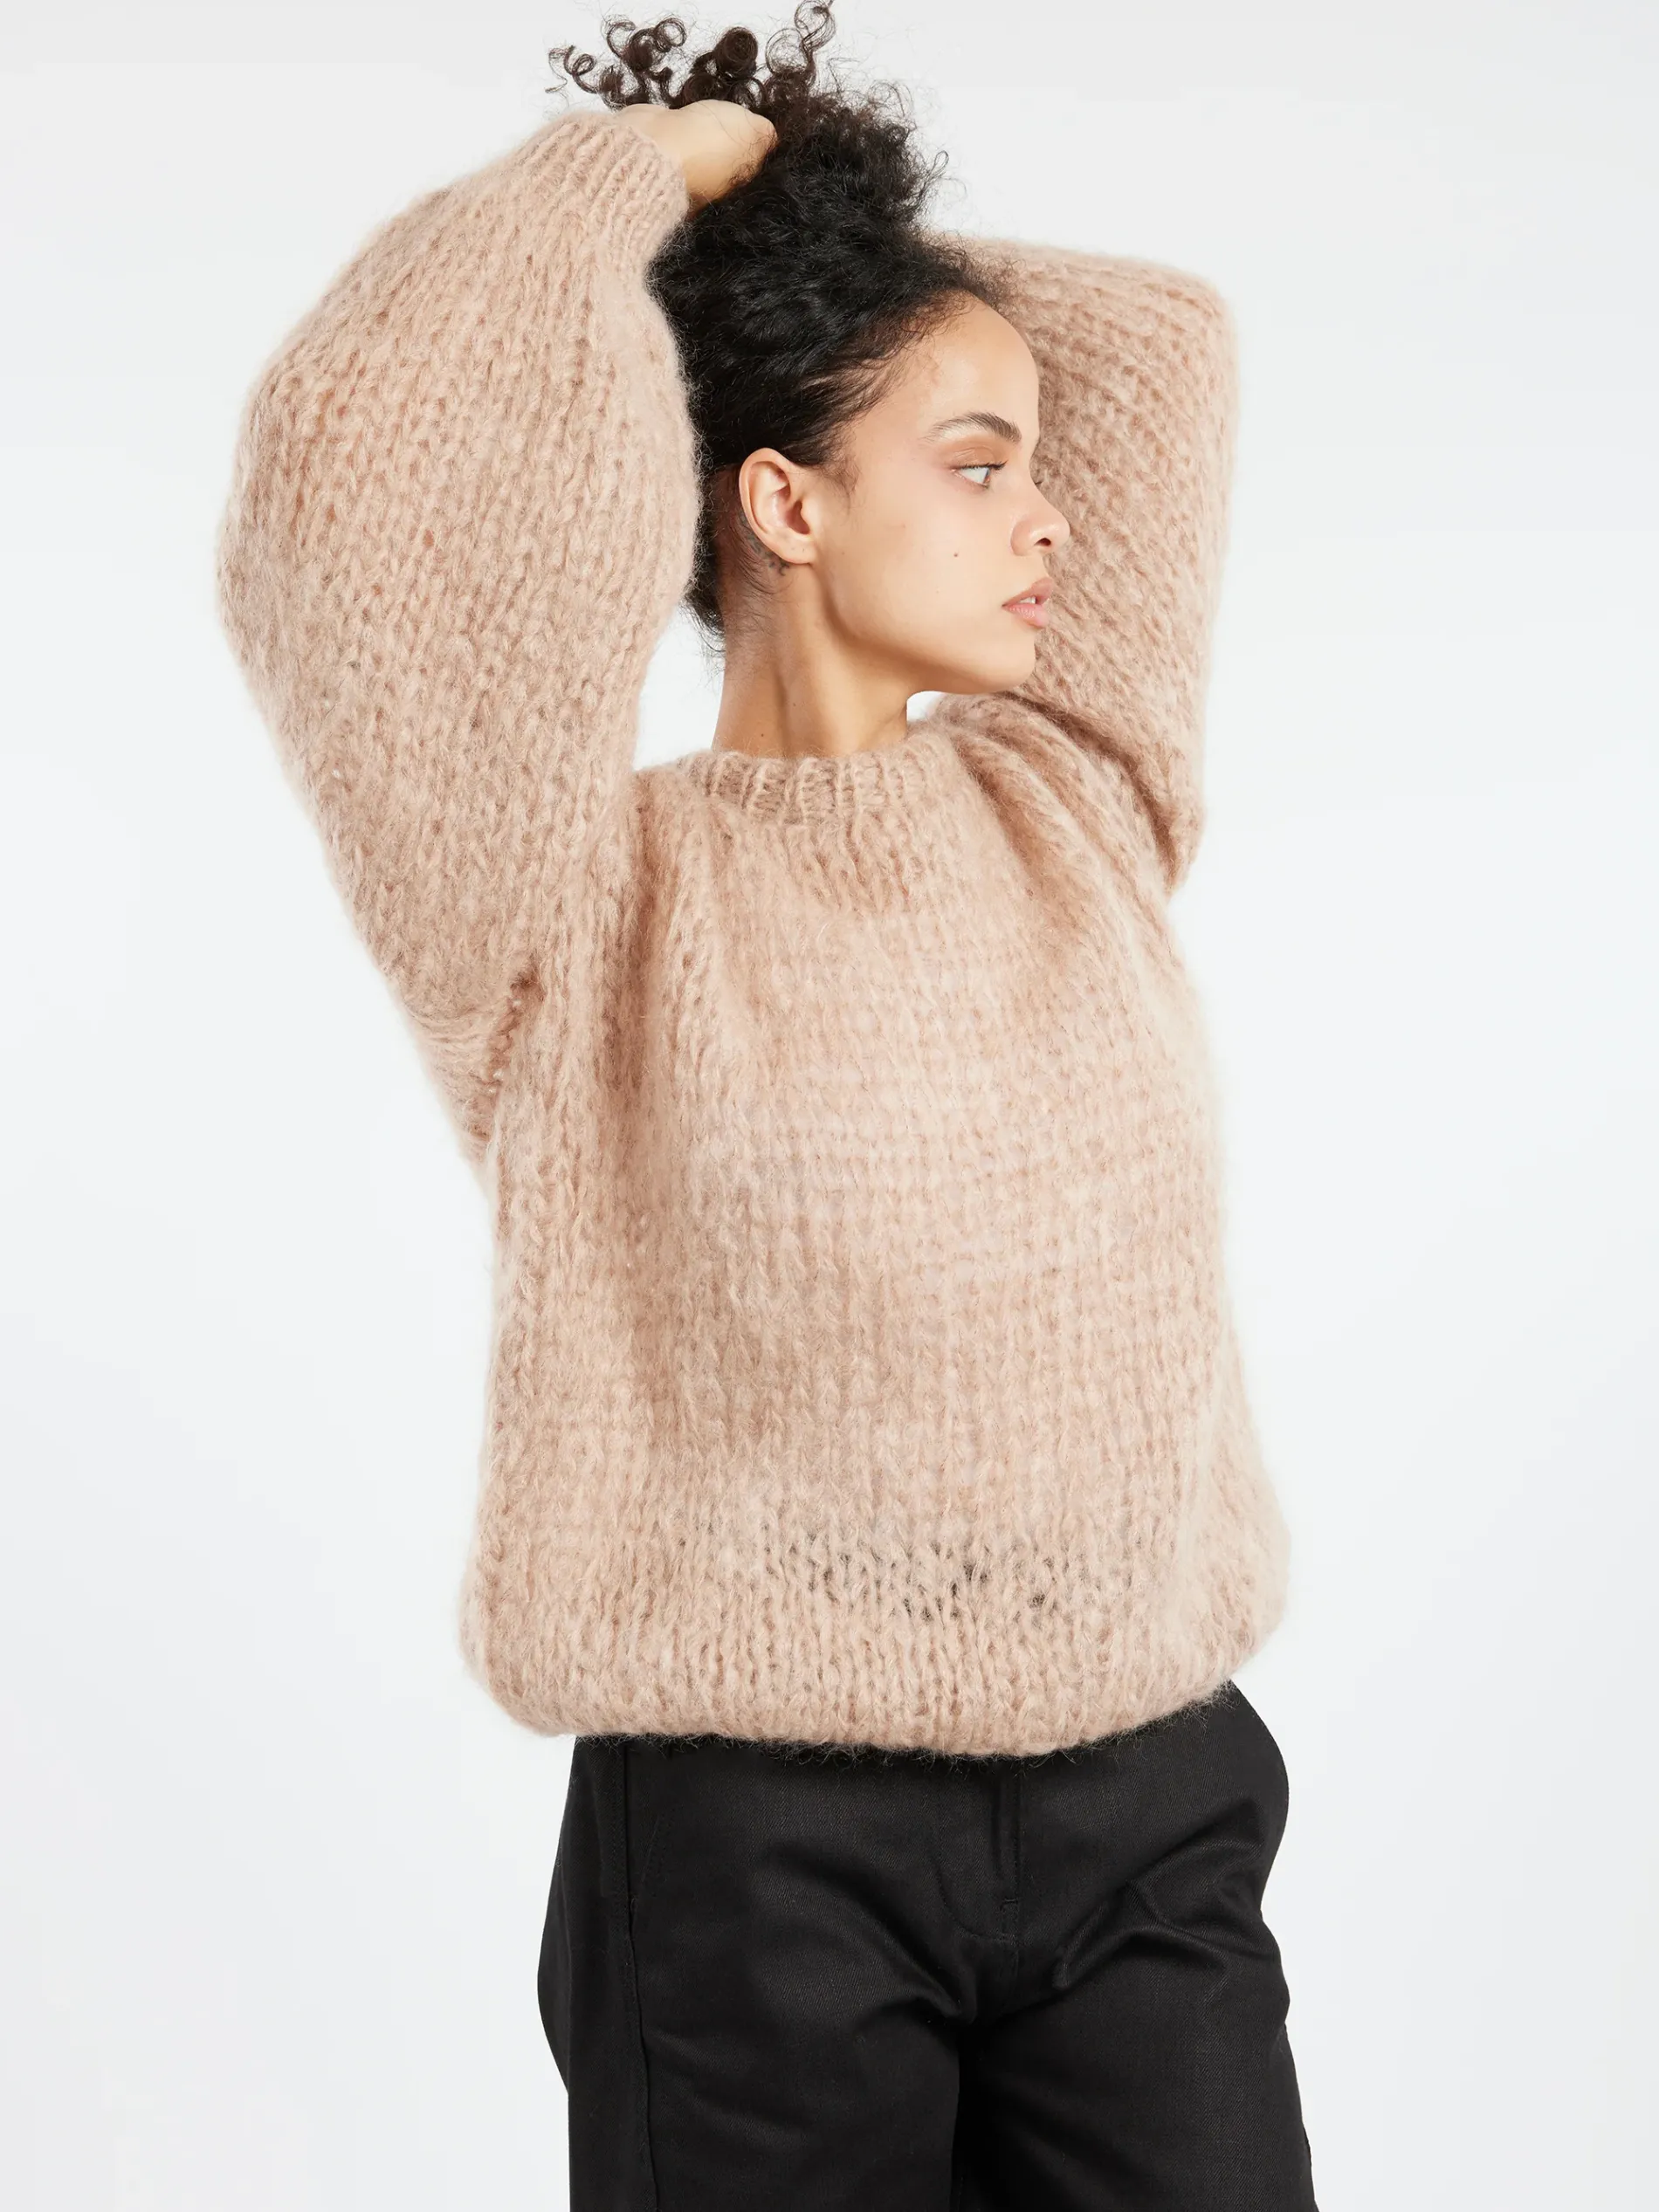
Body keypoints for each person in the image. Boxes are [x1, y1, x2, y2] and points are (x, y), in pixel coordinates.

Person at [214, 4, 1318, 2205]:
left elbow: (1162, 347)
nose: (1049, 518)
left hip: (1147, 1803)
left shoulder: (1075, 796)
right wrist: (638, 188)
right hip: (755, 1855)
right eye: (977, 465)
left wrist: (807, 262)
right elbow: (355, 455)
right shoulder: (564, 902)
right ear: (782, 499)